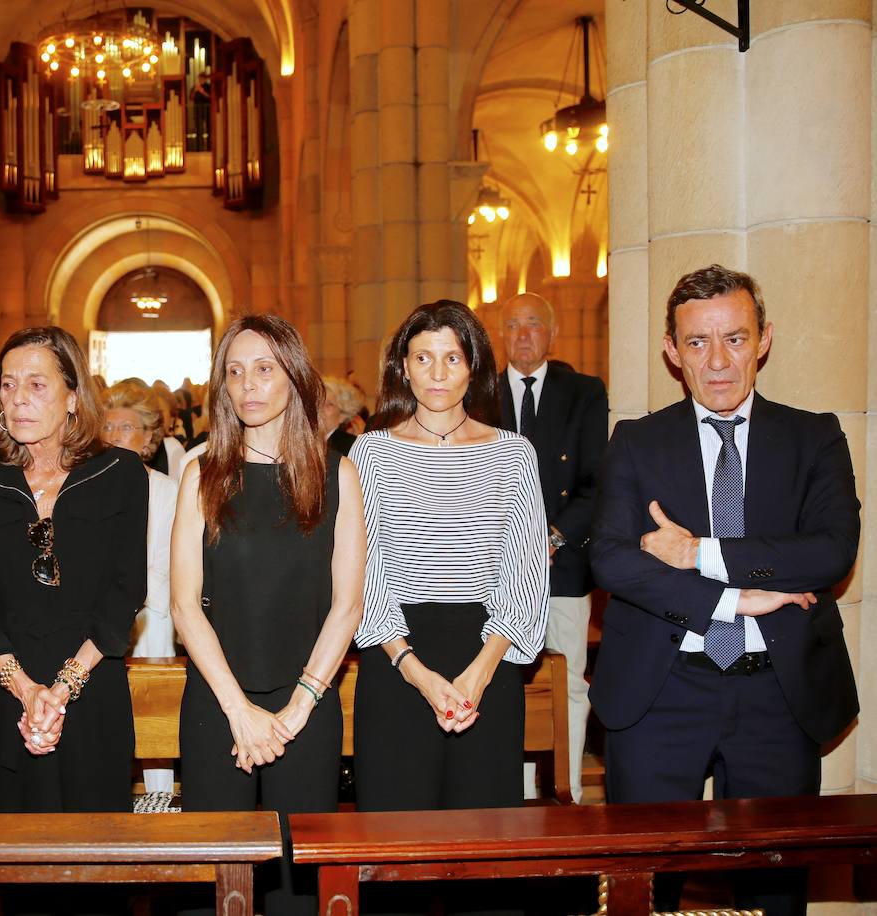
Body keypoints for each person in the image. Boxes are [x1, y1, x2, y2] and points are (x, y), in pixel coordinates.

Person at [589, 265, 860, 916]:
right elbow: (612, 560)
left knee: (775, 891)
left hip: (778, 694)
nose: (717, 362)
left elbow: (829, 550)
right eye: (697, 343)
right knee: (643, 890)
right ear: (670, 350)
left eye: (735, 339)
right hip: (659, 693)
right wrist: (732, 599)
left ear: (764, 339)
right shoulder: (636, 442)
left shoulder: (814, 436)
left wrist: (700, 554)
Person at [350, 300, 547, 914]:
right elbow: (364, 571)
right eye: (423, 358)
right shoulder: (370, 454)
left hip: (489, 652)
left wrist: (480, 670)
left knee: (483, 858)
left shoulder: (514, 454)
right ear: (403, 369)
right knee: (394, 855)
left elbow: (526, 568)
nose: (437, 372)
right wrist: (415, 669)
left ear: (474, 369)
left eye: (452, 358)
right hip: (394, 656)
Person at [170, 315, 365, 916]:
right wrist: (240, 713)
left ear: (293, 378)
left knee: (297, 892)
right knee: (215, 884)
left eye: (264, 369)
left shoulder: (338, 472)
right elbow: (183, 605)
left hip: (304, 705)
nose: (248, 384)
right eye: (235, 372)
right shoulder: (201, 474)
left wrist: (294, 710)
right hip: (217, 702)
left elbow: (347, 604)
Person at [0, 326, 147, 824]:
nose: (18, 400)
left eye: (36, 385)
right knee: (20, 858)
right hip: (9, 689)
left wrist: (60, 690)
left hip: (92, 683)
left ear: (73, 397)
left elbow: (124, 595)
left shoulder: (120, 474)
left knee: (99, 855)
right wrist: (27, 691)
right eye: (9, 384)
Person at [496, 292, 607, 803]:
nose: (523, 335)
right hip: (494, 569)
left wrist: (552, 537)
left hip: (562, 564)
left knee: (568, 683)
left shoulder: (583, 392)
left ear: (551, 332)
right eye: (514, 325)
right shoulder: (478, 394)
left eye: (533, 324)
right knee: (506, 685)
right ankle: (514, 800)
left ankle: (568, 798)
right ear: (501, 335)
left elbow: (595, 480)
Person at [101, 378, 179, 795]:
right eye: (108, 426)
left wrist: (127, 594)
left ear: (149, 436)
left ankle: (160, 799)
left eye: (126, 427)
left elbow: (169, 563)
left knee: (154, 713)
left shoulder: (165, 489)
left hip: (151, 616)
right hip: (96, 618)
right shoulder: (86, 485)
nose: (114, 435)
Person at [321, 375, 364, 455]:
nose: (321, 409)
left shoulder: (352, 446)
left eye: (329, 405)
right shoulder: (304, 440)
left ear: (342, 415)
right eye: (319, 402)